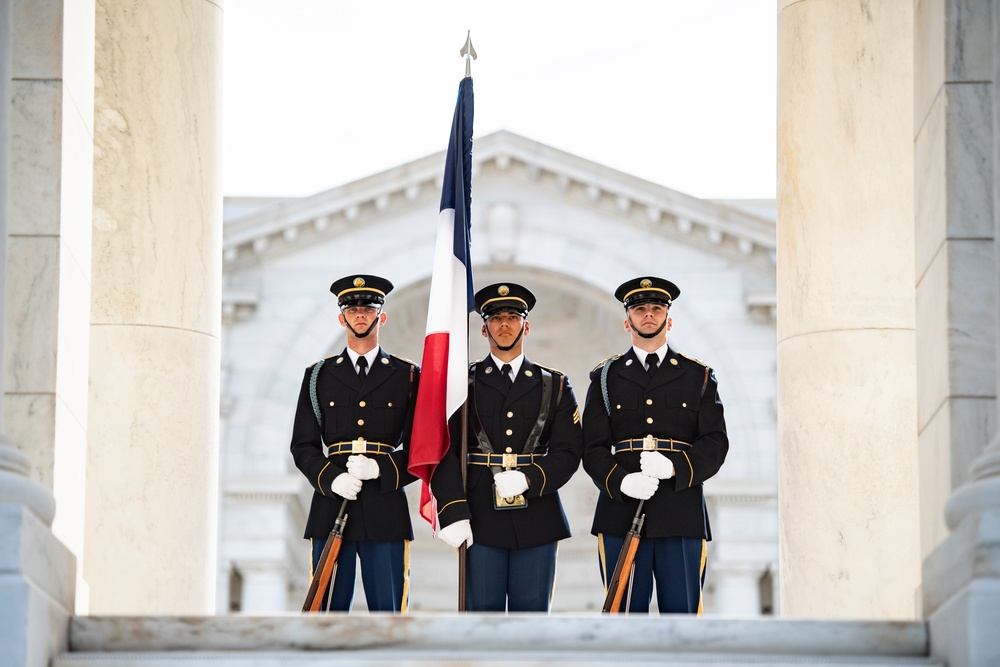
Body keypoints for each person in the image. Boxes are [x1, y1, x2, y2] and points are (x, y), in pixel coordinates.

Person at [431, 282, 584, 612]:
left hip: (537, 515)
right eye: (496, 318)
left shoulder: (553, 384)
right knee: (480, 625)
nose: (504, 325)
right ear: (484, 328)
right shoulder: (460, 382)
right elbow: (444, 450)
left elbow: (569, 452)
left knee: (531, 626)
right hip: (478, 515)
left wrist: (529, 478)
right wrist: (452, 511)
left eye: (512, 317)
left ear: (525, 326)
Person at [582, 276, 728, 614]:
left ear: (669, 319)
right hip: (621, 511)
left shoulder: (698, 376)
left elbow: (715, 443)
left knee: (683, 618)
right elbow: (592, 448)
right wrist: (621, 481)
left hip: (680, 510)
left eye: (657, 308)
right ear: (627, 320)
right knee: (625, 618)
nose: (649, 314)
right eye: (640, 309)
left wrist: (676, 467)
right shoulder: (606, 377)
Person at [290, 274, 419, 612]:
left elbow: (423, 448)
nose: (360, 314)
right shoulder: (318, 375)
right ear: (341, 317)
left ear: (382, 316)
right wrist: (332, 478)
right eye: (352, 308)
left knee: (389, 615)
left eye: (368, 308)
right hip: (332, 503)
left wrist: (381, 467)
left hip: (386, 506)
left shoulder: (407, 375)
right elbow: (303, 446)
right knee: (327, 614)